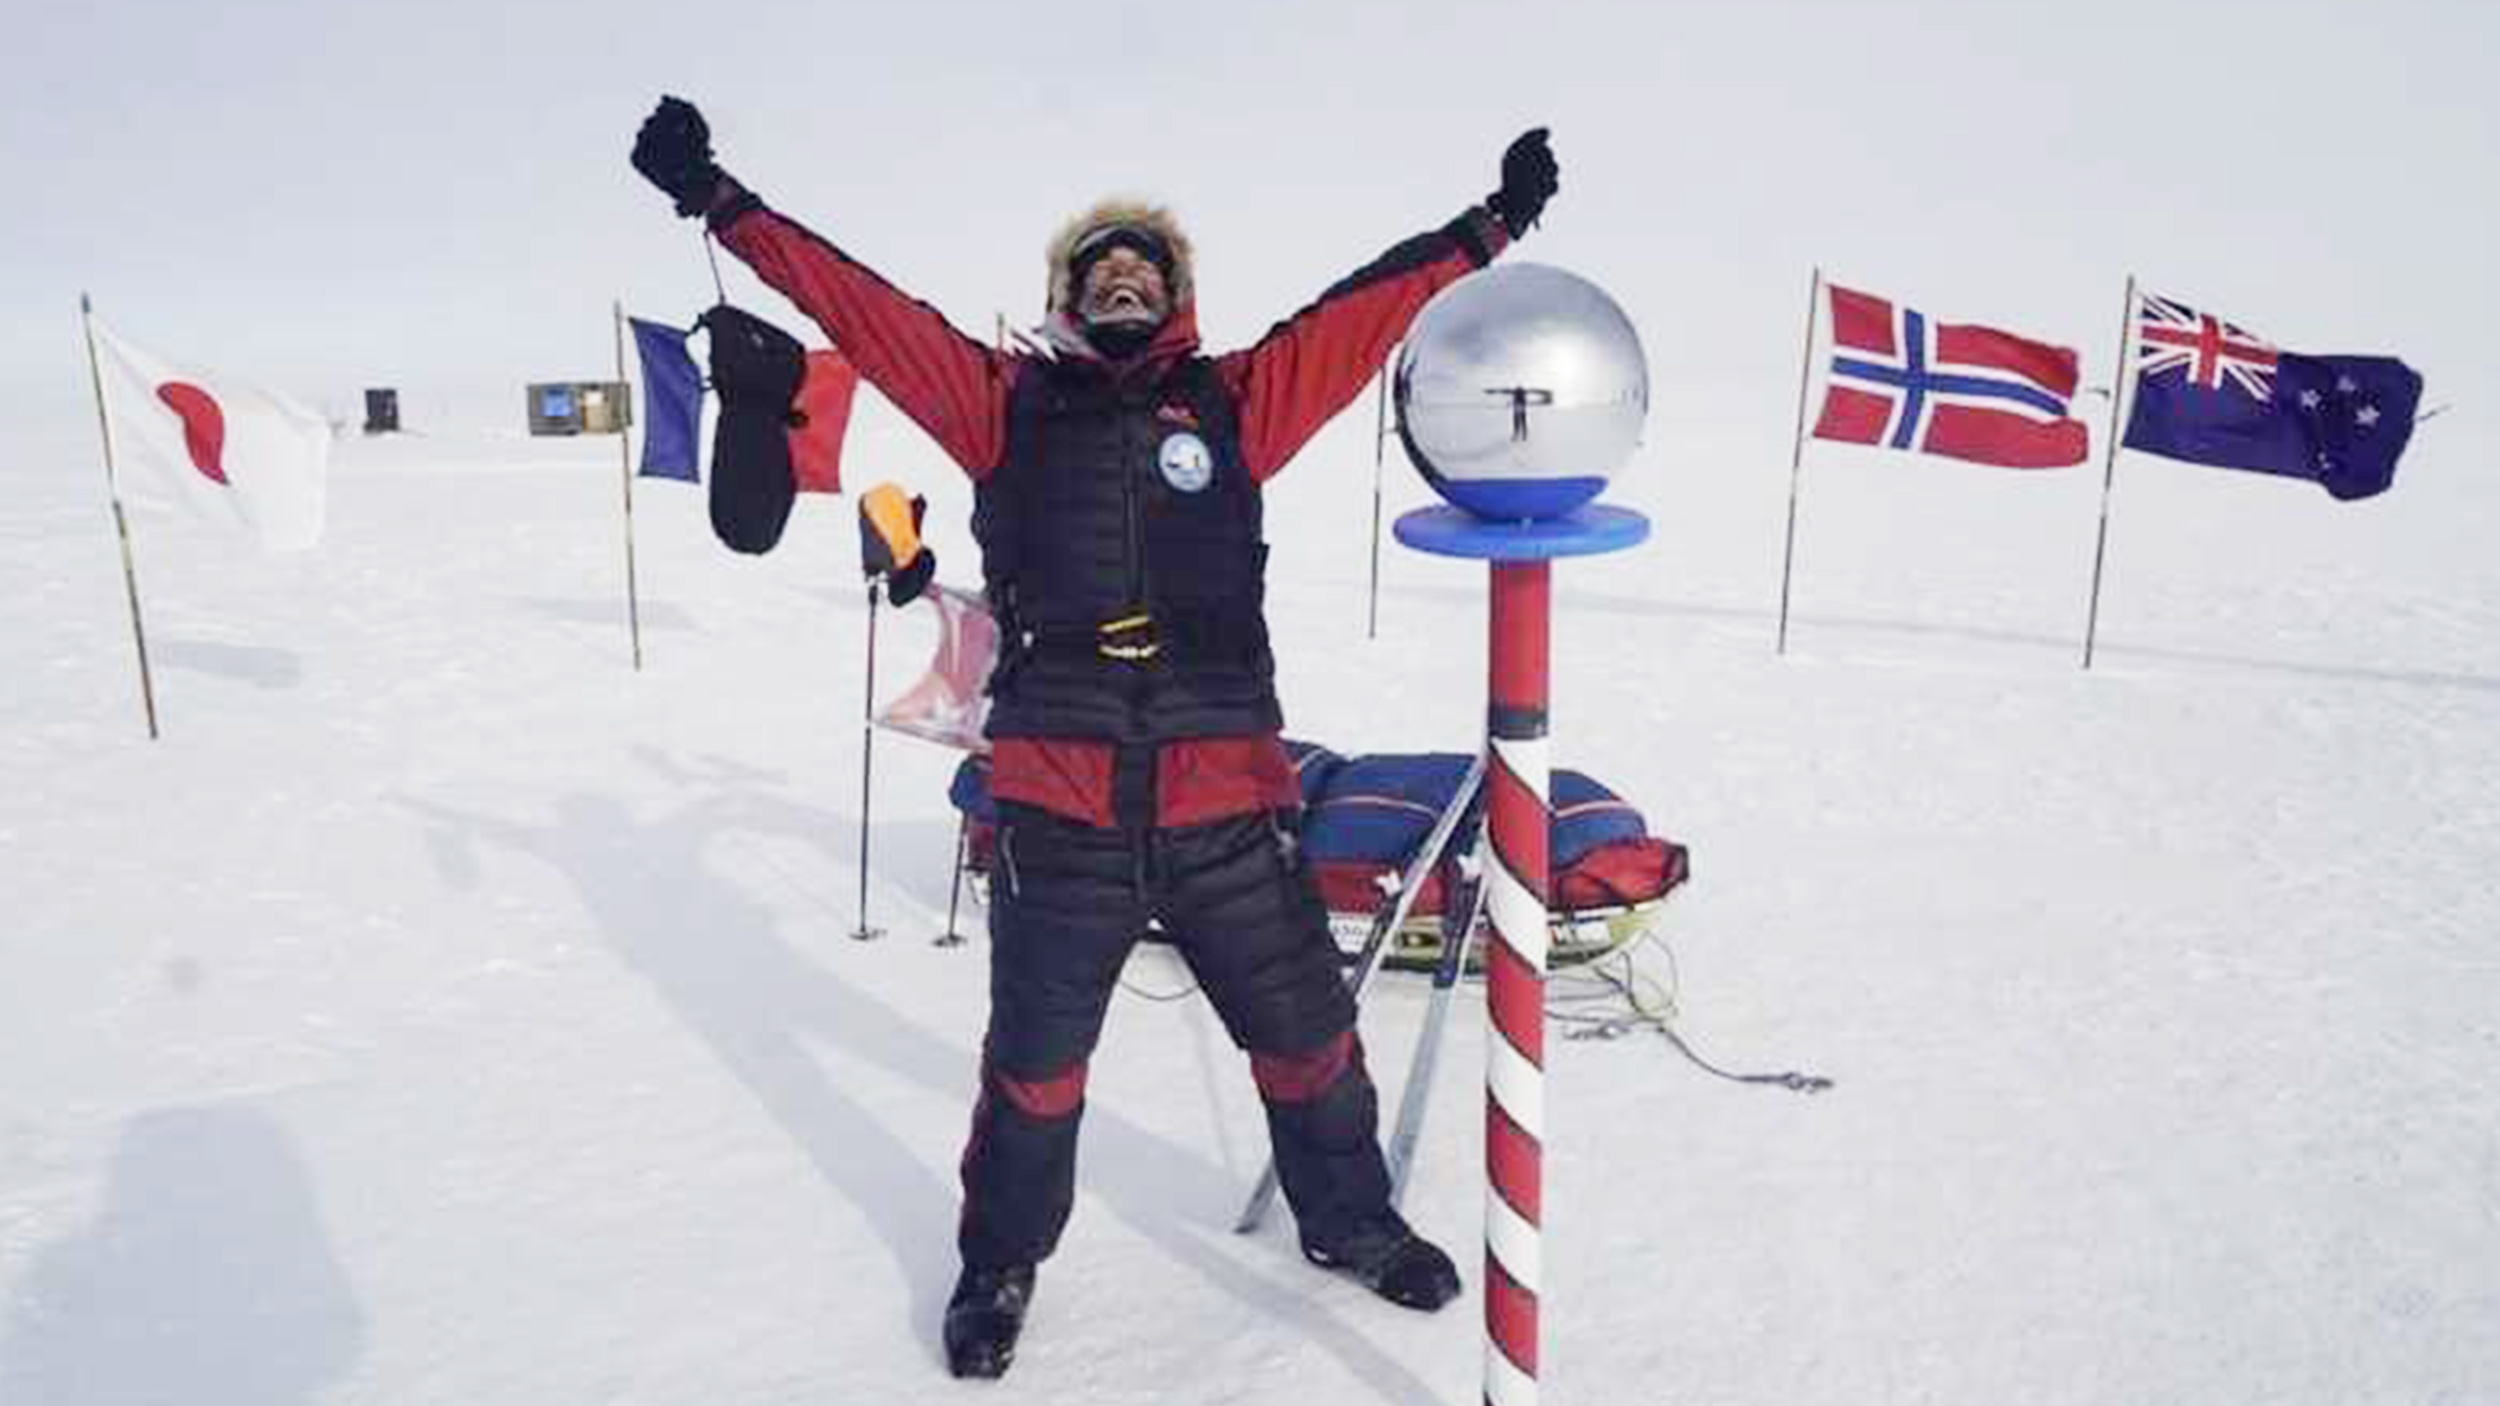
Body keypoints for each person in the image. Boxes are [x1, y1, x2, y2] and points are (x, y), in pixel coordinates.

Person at [631, 96, 1559, 1380]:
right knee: (1034, 1073)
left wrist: (1487, 226)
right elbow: (868, 311)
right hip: (1059, 815)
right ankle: (999, 1263)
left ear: (1174, 296)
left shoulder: (1237, 403)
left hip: (1228, 803)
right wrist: (721, 203)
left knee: (1308, 1042)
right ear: (1067, 293)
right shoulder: (1002, 401)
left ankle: (1347, 1222)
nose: (1122, 272)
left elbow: (1362, 314)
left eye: (1146, 262)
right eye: (1098, 262)